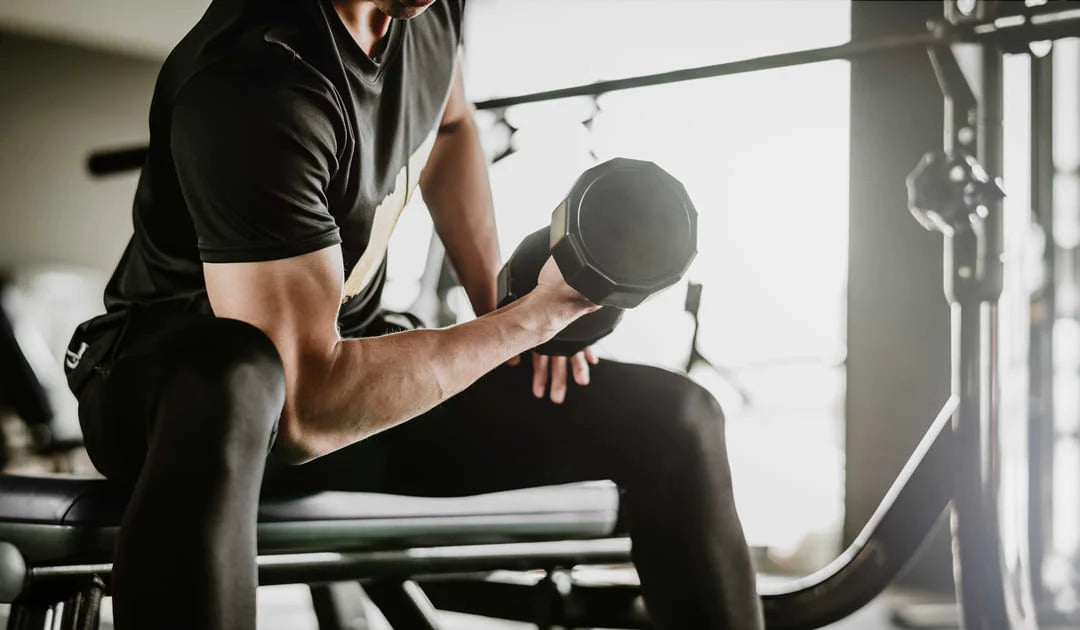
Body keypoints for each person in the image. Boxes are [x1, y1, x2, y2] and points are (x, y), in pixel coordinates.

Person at [64, 0, 763, 628]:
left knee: (679, 419)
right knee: (238, 373)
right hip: (176, 400)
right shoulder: (256, 83)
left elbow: (453, 124)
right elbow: (306, 409)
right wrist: (527, 322)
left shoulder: (427, 11)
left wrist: (502, 302)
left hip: (344, 378)